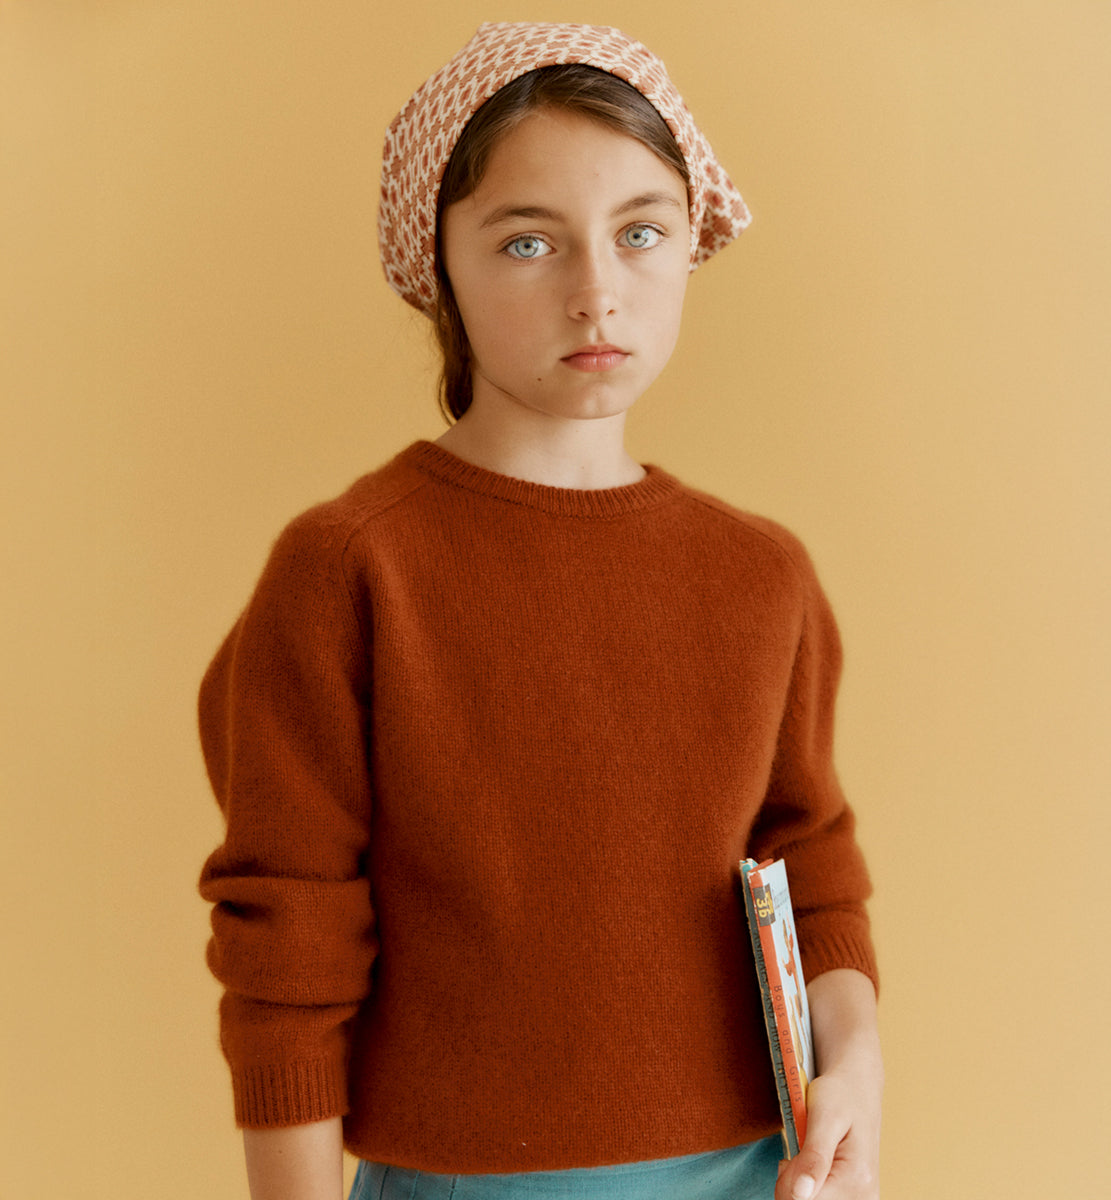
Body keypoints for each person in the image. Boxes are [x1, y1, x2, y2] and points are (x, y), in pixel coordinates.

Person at [198, 22, 883, 1200]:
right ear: (439, 265)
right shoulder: (350, 570)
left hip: (756, 1169)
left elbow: (808, 862)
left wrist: (855, 1072)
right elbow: (288, 940)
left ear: (690, 244)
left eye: (640, 232)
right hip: (458, 1180)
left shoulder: (761, 574)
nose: (595, 293)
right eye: (527, 242)